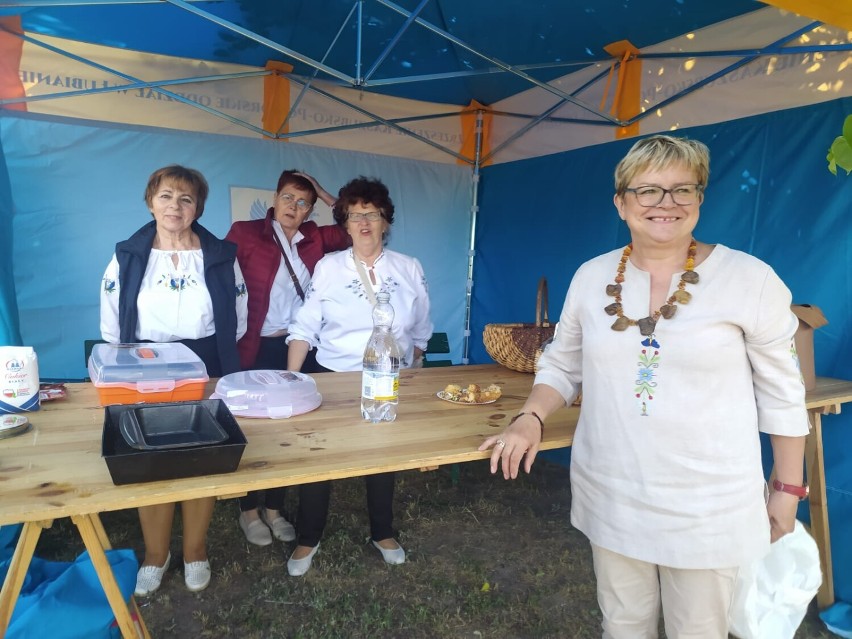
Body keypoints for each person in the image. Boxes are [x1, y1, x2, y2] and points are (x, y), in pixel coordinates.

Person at [479, 135, 809, 638]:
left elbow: (785, 395)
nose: (665, 204)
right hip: (612, 491)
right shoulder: (591, 278)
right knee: (624, 625)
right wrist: (530, 417)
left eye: (682, 190)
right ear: (621, 201)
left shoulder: (750, 279)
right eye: (648, 190)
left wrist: (786, 492)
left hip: (709, 504)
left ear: (700, 199)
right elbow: (562, 366)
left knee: (699, 631)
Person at [100, 164, 248, 596]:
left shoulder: (221, 256)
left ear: (198, 207)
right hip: (144, 362)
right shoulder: (128, 255)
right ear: (151, 201)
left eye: (186, 199)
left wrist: (212, 362)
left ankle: (195, 550)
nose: (175, 206)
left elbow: (235, 320)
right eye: (166, 196)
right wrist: (126, 365)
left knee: (202, 455)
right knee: (151, 460)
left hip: (203, 362)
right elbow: (112, 322)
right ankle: (155, 553)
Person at [284, 176, 433, 576]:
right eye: (354, 215)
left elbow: (420, 332)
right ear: (345, 223)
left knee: (383, 457)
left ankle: (382, 531)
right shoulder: (329, 267)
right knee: (320, 459)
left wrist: (412, 373)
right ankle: (308, 537)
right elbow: (304, 328)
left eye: (371, 214)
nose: (363, 222)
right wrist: (292, 379)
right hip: (333, 377)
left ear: (386, 220)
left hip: (385, 378)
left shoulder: (409, 268)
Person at [225, 170, 349, 547]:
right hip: (254, 345)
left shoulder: (316, 238)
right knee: (254, 426)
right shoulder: (246, 232)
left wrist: (325, 192)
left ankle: (275, 508)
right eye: (288, 197)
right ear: (275, 198)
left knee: (288, 427)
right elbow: (220, 277)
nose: (293, 206)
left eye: (302, 202)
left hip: (297, 347)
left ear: (311, 210)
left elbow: (350, 225)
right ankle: (249, 510)